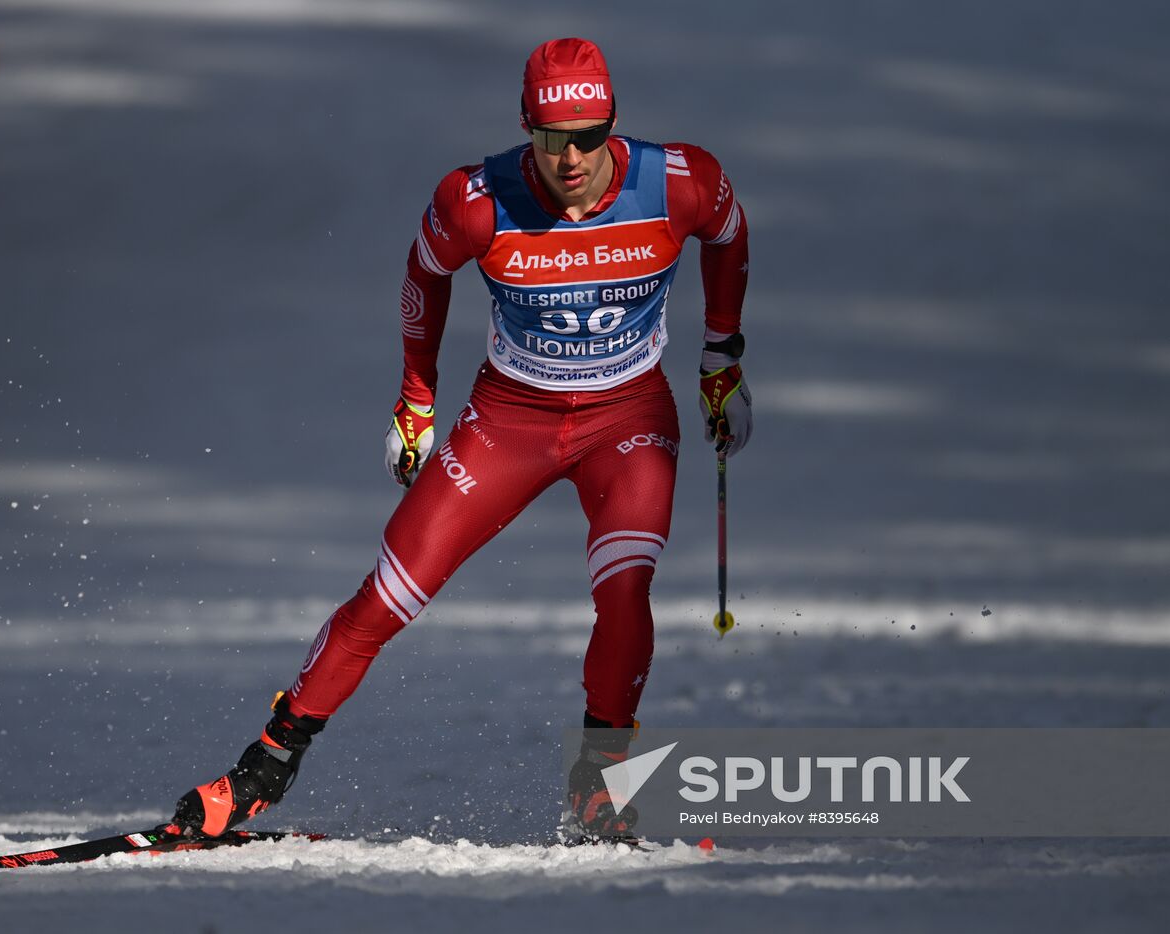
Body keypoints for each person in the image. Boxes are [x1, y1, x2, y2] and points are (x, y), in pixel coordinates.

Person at [163, 37, 751, 843]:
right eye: (550, 140)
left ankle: (600, 785)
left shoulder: (681, 182)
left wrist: (722, 356)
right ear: (526, 129)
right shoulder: (477, 199)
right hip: (510, 419)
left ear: (612, 125)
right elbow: (423, 277)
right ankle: (262, 769)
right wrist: (415, 399)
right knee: (391, 592)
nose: (570, 159)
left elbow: (729, 233)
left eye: (588, 137)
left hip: (628, 419)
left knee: (625, 592)